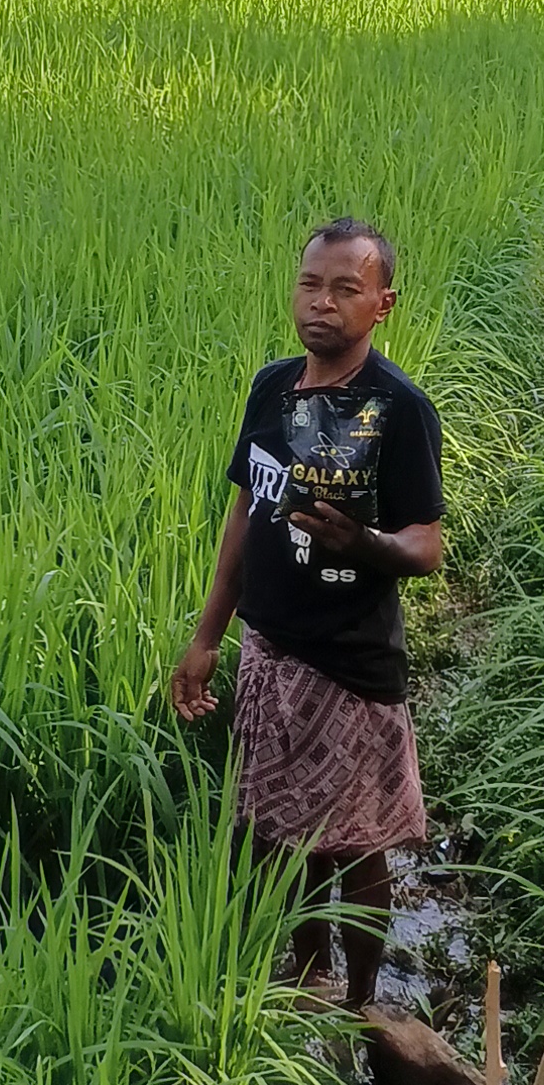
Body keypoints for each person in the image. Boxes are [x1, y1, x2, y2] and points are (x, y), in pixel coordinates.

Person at [170, 218, 444, 1012]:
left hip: (349, 661)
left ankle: (361, 1003)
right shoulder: (271, 387)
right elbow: (245, 511)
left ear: (382, 304)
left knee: (356, 844)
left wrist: (363, 543)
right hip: (269, 649)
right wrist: (207, 636)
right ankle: (306, 971)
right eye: (310, 284)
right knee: (276, 830)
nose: (322, 302)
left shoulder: (399, 408)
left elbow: (425, 546)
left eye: (345, 289)